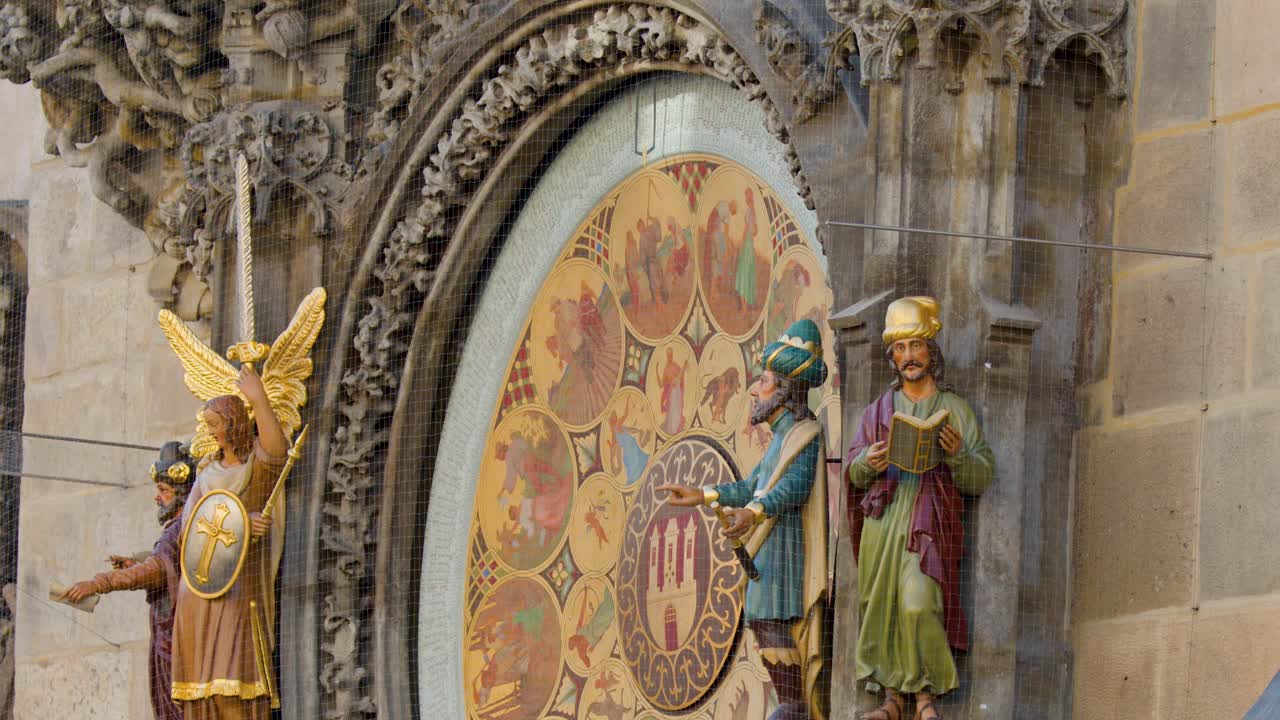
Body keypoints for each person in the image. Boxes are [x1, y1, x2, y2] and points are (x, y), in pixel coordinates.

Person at [659, 319, 830, 720]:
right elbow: (753, 484)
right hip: (768, 563)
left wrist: (753, 512)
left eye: (765, 381)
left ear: (786, 391)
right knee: (762, 622)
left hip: (786, 562)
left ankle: (795, 707)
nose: (756, 389)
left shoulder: (805, 434)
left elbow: (795, 487)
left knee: (775, 627)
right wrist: (704, 495)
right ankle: (790, 706)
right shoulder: (780, 442)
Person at [844, 297, 995, 720]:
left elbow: (981, 476)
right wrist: (865, 463)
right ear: (892, 357)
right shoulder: (877, 411)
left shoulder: (955, 410)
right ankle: (891, 699)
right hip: (884, 523)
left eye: (916, 346)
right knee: (881, 606)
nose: (908, 357)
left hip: (927, 520)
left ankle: (925, 697)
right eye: (900, 349)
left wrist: (959, 454)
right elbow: (854, 476)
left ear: (931, 349)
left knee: (918, 601)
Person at [170, 365, 286, 719]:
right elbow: (187, 531)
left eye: (216, 425)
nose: (212, 433)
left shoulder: (254, 470)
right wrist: (240, 526)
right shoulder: (205, 475)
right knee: (203, 694)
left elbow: (277, 451)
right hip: (199, 594)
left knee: (234, 679)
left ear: (234, 422)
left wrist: (258, 398)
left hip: (238, 589)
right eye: (208, 427)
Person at [62, 441, 198, 720]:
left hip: (179, 637)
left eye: (163, 490)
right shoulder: (179, 527)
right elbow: (164, 568)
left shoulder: (180, 529)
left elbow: (156, 570)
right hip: (171, 632)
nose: (157, 498)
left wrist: (99, 583)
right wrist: (137, 564)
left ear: (182, 493)